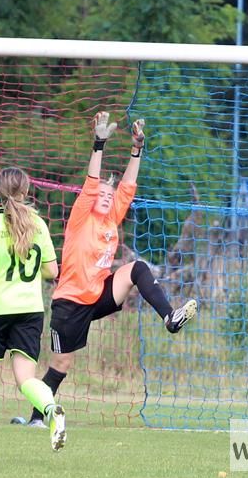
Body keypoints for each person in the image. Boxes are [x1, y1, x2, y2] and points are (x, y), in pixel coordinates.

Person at [25, 111, 198, 428]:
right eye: (102, 194)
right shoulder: (82, 218)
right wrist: (99, 144)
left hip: (99, 295)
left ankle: (169, 318)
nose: (106, 197)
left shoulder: (111, 218)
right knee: (61, 364)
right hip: (71, 302)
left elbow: (128, 185)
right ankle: (36, 417)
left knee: (137, 268)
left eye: (110, 194)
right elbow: (92, 182)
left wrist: (137, 148)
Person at [0, 166, 67, 465]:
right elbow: (52, 271)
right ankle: (50, 410)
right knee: (25, 379)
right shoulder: (38, 224)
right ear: (26, 191)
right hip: (30, 311)